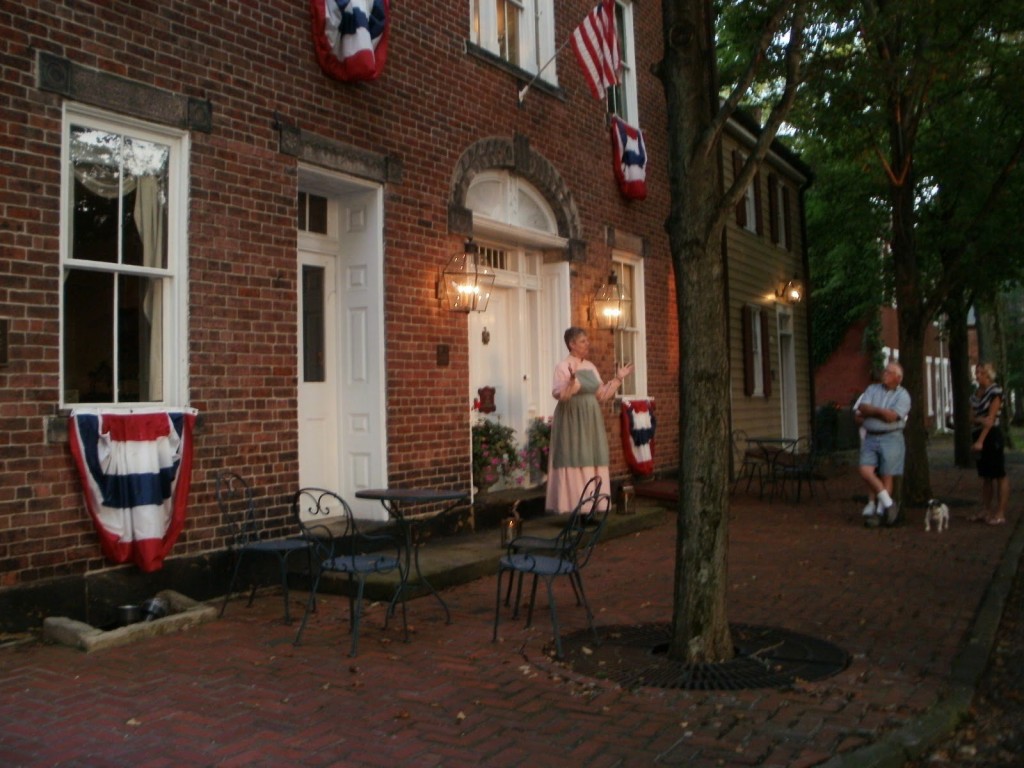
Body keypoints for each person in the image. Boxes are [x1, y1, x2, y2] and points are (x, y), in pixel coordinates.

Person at [545, 327, 634, 514]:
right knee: (573, 455)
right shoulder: (562, 366)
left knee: (592, 455)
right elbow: (561, 396)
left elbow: (602, 394)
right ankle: (574, 506)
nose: (588, 344)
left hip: (591, 418)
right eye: (583, 341)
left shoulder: (591, 367)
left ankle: (593, 504)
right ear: (572, 344)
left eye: (587, 340)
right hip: (571, 418)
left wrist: (618, 379)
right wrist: (570, 383)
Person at [854, 361, 911, 527]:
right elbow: (862, 408)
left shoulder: (903, 396)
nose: (884, 373)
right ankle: (889, 504)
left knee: (887, 474)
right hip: (871, 437)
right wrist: (880, 412)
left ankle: (879, 514)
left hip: (891, 437)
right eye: (885, 371)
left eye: (888, 372)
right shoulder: (872, 389)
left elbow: (892, 417)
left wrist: (872, 412)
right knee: (865, 470)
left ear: (898, 378)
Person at [970, 363, 1009, 525]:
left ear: (988, 375)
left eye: (980, 373)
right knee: (986, 475)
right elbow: (971, 416)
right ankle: (986, 509)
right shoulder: (975, 394)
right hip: (977, 431)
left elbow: (991, 419)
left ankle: (1000, 512)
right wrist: (980, 419)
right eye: (976, 372)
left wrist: (981, 441)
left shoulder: (995, 391)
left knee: (999, 473)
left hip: (991, 435)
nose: (977, 375)